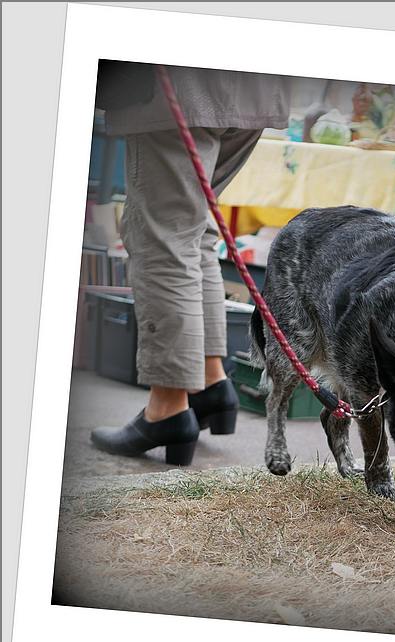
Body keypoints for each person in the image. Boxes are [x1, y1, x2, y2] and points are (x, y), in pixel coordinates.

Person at [90, 63, 291, 465]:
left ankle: (167, 406)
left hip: (183, 87)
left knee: (164, 238)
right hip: (254, 87)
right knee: (193, 231)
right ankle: (210, 380)